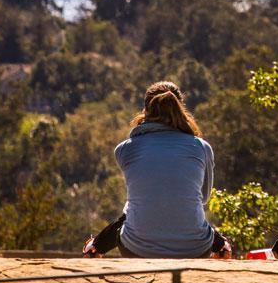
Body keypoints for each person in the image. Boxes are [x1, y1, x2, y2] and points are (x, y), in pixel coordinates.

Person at [83, 81, 230, 258]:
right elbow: (203, 198)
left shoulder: (125, 149)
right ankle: (222, 246)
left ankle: (94, 247)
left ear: (145, 110)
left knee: (134, 208)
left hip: (138, 249)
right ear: (180, 108)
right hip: (195, 249)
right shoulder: (202, 148)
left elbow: (145, 200)